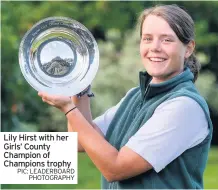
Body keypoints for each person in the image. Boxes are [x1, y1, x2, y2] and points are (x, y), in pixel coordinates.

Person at [38, 4, 213, 189]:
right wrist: (80, 90)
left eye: (167, 40)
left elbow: (115, 168)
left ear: (188, 49)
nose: (154, 47)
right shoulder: (135, 95)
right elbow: (80, 141)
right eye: (147, 38)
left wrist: (68, 109)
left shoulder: (185, 107)